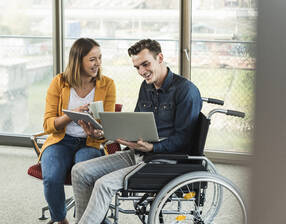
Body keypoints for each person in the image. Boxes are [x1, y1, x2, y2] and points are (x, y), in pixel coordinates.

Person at [71, 39, 202, 224]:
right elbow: (135, 123)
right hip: (138, 153)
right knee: (79, 171)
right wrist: (106, 133)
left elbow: (184, 140)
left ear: (160, 58)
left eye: (145, 64)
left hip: (163, 161)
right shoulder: (146, 86)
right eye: (137, 67)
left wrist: (152, 148)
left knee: (103, 185)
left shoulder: (186, 91)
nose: (141, 72)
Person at [40, 38, 116, 224]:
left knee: (87, 176)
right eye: (92, 59)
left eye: (99, 58)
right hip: (61, 141)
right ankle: (60, 220)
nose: (98, 63)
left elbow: (110, 127)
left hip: (90, 143)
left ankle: (90, 218)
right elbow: (48, 124)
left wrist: (99, 133)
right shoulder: (59, 83)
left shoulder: (107, 84)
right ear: (78, 60)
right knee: (51, 177)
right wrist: (71, 115)